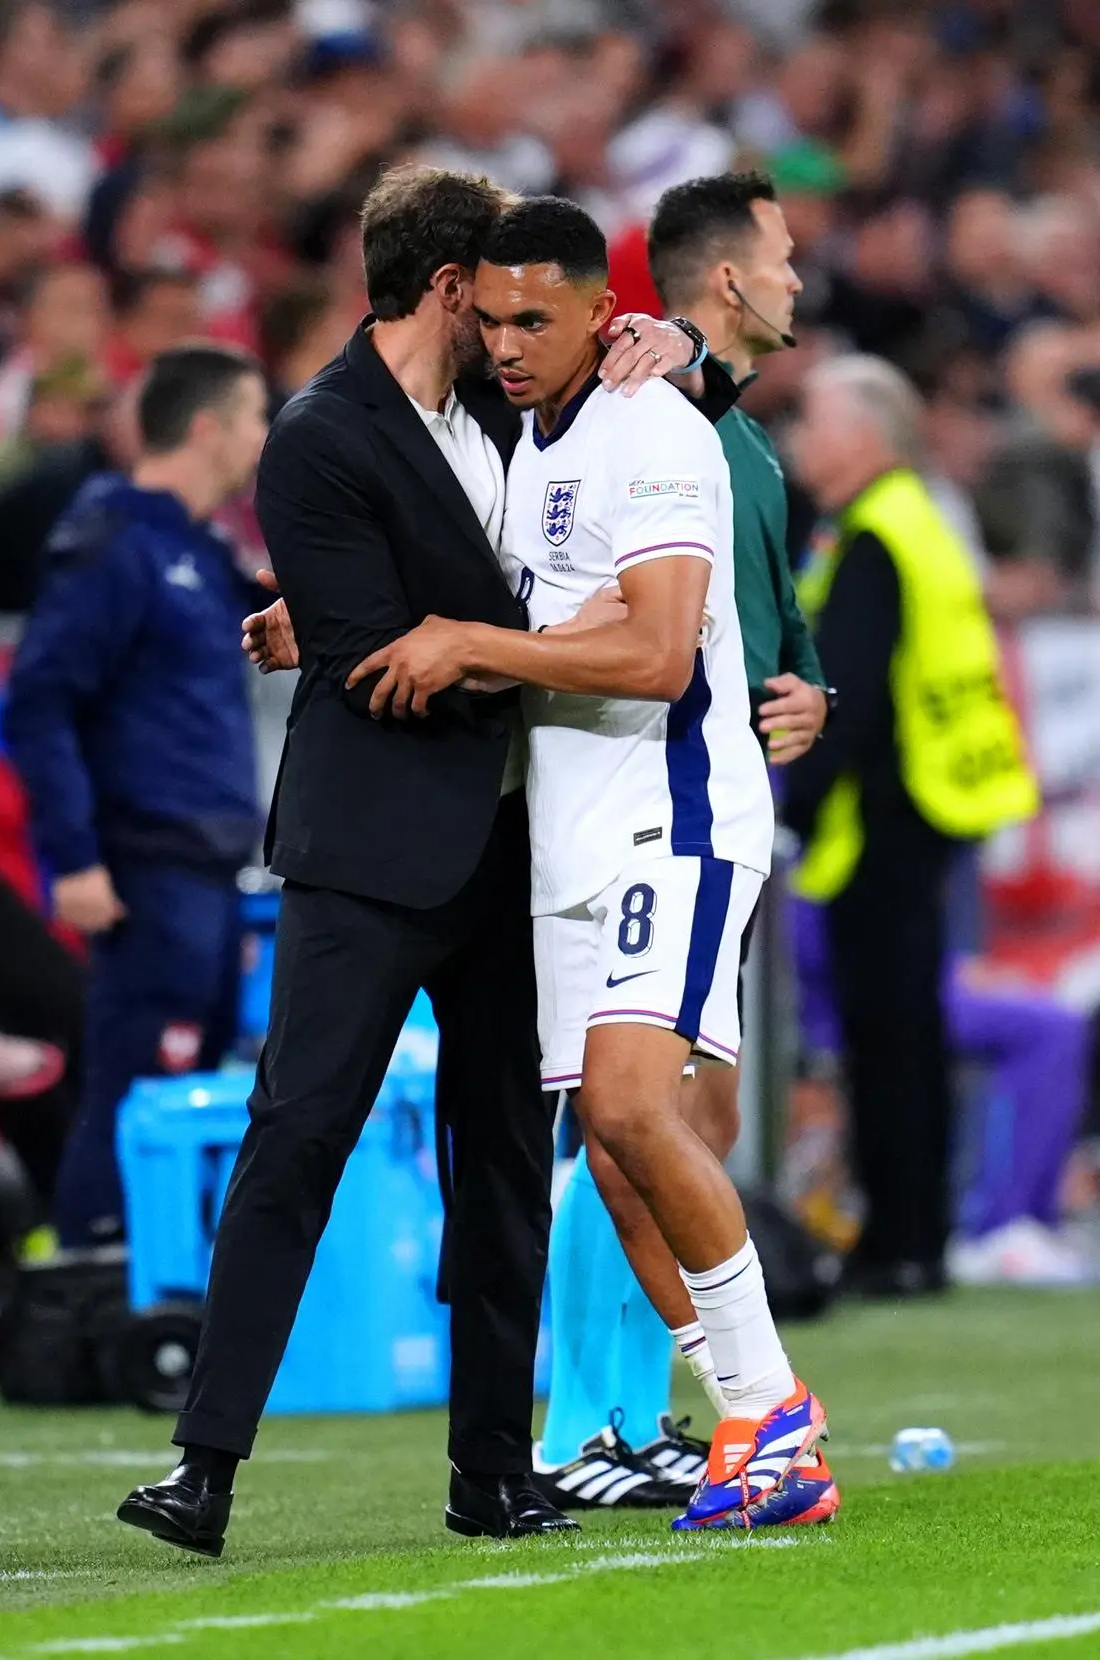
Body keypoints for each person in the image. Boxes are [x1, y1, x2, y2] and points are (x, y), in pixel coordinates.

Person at [117, 164, 700, 1559]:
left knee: (499, 1159)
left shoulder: (524, 415)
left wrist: (683, 351)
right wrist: (550, 641)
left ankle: (493, 1471)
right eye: (492, 304)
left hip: (511, 844)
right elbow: (393, 666)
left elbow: (615, 499)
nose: (512, 332)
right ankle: (206, 1468)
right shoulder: (322, 437)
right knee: (298, 1135)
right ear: (450, 289)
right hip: (371, 852)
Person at [346, 195, 827, 1534]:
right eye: (489, 319)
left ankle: (764, 1417)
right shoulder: (524, 446)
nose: (505, 343)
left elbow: (659, 654)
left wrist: (479, 644)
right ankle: (759, 1404)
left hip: (668, 813)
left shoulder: (655, 429)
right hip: (568, 830)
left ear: (601, 316)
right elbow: (562, 618)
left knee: (635, 1112)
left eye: (535, 320)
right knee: (615, 1150)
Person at [533, 170, 836, 1517]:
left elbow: (748, 611)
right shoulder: (675, 398)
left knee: (650, 1115)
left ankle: (690, 1406)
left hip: (689, 789)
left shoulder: (751, 445)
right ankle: (628, 1412)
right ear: (724, 281)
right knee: (633, 1117)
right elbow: (654, 397)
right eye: (782, 256)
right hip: (626, 788)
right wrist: (663, 347)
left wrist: (812, 685)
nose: (798, 278)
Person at [784, 356, 1039, 1297]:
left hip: (889, 813)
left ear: (863, 437)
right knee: (906, 1029)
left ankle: (900, 1240)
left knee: (888, 1032)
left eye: (815, 419)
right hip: (925, 808)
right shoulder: (909, 520)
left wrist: (796, 803)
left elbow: (845, 695)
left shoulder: (877, 533)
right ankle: (912, 1232)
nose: (802, 437)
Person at [5, 345, 269, 1249]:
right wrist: (73, 856)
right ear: (205, 427)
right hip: (147, 859)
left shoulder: (198, 548)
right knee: (137, 1071)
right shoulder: (116, 540)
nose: (260, 438)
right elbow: (41, 701)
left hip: (208, 862)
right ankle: (93, 1268)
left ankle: (162, 1271)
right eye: (251, 418)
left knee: (188, 1070)